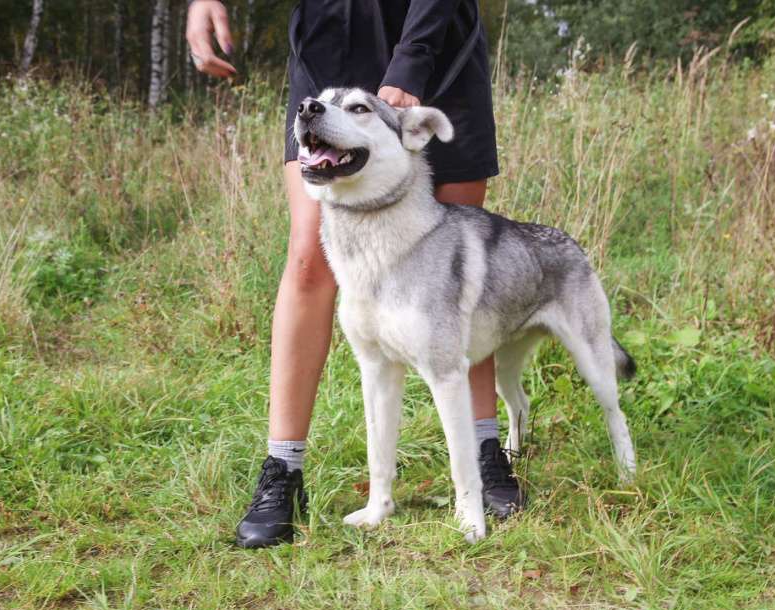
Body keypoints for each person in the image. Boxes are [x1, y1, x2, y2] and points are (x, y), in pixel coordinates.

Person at [186, 0, 524, 548]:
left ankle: (485, 450)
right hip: (332, 32)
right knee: (309, 256)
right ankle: (283, 470)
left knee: (458, 259)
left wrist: (413, 59)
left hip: (435, 32)